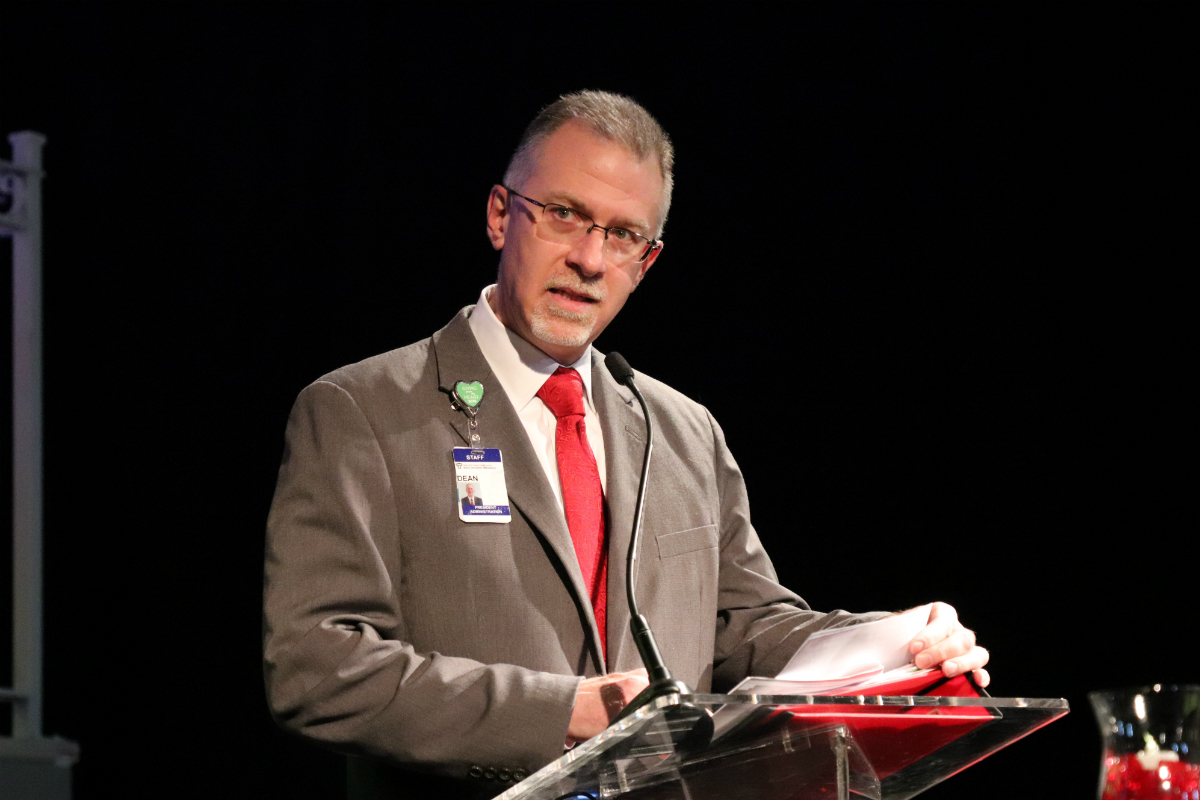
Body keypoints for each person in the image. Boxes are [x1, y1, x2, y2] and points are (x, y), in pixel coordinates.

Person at [263, 90, 989, 799]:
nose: (589, 258)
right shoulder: (362, 410)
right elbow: (317, 668)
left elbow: (745, 628)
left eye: (622, 235)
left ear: (646, 262)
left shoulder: (683, 430)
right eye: (565, 215)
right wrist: (562, 712)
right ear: (499, 215)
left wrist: (897, 645)